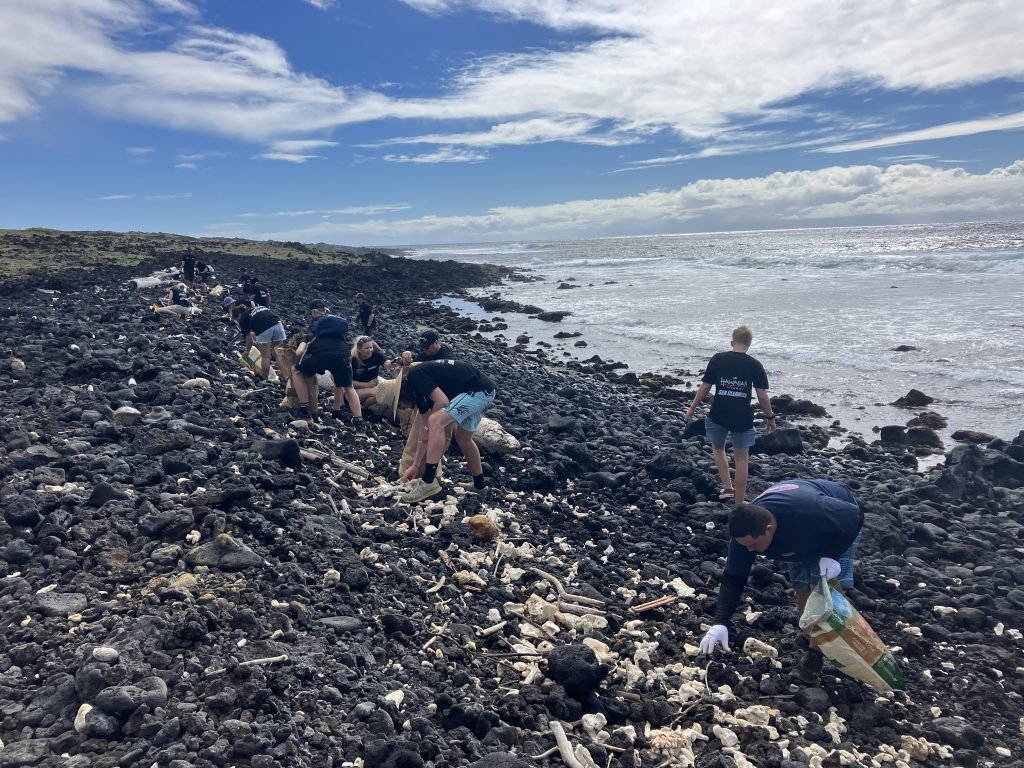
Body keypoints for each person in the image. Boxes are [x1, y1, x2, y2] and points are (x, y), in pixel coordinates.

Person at [698, 478, 864, 682]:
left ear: (769, 529)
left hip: (838, 528)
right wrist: (720, 623)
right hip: (798, 538)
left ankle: (816, 656)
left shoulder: (811, 510)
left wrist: (832, 553)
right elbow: (734, 578)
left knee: (824, 590)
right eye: (745, 546)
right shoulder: (746, 536)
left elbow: (855, 515)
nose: (750, 551)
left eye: (754, 546)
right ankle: (809, 635)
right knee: (802, 585)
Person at [683, 325, 775, 503]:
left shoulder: (719, 359)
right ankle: (739, 503)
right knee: (742, 459)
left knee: (718, 448)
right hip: (742, 417)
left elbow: (706, 386)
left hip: (718, 413)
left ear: (732, 342)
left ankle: (727, 486)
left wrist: (693, 407)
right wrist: (770, 417)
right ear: (749, 343)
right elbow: (762, 396)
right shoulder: (754, 364)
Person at [398, 360, 496, 502]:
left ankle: (428, 482)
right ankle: (480, 486)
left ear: (403, 394)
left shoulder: (415, 375)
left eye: (401, 405)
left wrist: (436, 422)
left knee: (435, 421)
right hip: (482, 391)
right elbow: (424, 434)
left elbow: (443, 402)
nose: (405, 408)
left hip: (479, 390)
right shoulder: (422, 394)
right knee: (463, 438)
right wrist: (415, 465)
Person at [292, 300, 364, 429]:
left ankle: (304, 408)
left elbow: (299, 352)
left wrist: (299, 363)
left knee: (296, 371)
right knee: (347, 386)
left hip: (320, 354)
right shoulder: (338, 333)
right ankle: (356, 420)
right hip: (342, 354)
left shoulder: (311, 334)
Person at [232, 301, 289, 382]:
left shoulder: (243, 318)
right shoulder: (256, 308)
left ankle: (265, 381)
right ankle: (286, 378)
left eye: (236, 320)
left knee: (266, 356)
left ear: (239, 315)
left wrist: (247, 352)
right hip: (278, 325)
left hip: (264, 328)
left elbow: (249, 340)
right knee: (279, 354)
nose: (238, 322)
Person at [351, 336, 396, 407]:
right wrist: (367, 385)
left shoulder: (376, 355)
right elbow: (346, 382)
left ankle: (365, 407)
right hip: (354, 389)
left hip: (372, 384)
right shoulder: (353, 360)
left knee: (387, 391)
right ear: (359, 349)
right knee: (377, 392)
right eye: (366, 348)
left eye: (371, 347)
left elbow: (388, 365)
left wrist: (395, 362)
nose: (370, 350)